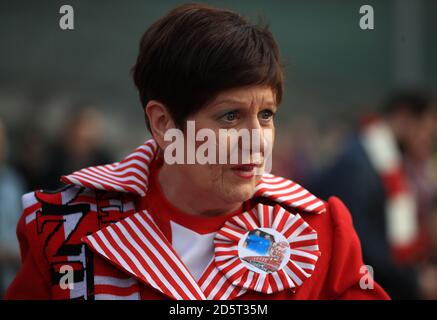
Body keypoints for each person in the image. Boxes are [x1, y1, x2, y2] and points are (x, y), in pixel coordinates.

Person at [5, 3, 389, 300]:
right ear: (163, 124)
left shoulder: (321, 231)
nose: (257, 140)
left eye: (267, 114)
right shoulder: (65, 225)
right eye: (230, 115)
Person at [310, 91, 436, 299]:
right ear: (404, 117)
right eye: (428, 133)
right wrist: (414, 282)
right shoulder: (358, 164)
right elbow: (359, 242)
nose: (428, 144)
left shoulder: (382, 162)